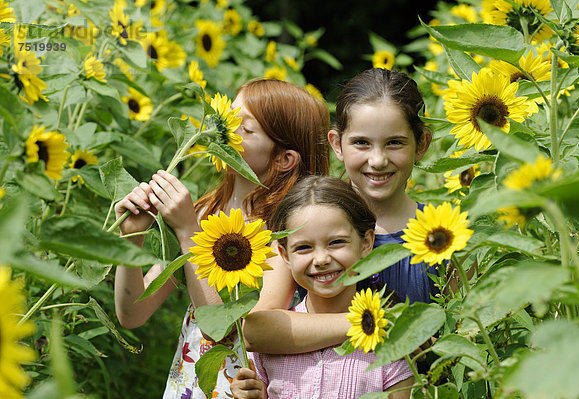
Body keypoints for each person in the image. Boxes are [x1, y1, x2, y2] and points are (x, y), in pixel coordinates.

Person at [113, 78, 330, 398]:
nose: (224, 129)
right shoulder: (205, 211)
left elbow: (232, 329)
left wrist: (188, 231)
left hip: (239, 389)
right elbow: (133, 312)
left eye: (245, 127)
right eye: (229, 117)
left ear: (284, 159)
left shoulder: (285, 233)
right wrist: (131, 240)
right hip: (188, 384)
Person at [244, 68, 435, 355]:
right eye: (361, 143)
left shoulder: (444, 235)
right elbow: (257, 330)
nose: (378, 160)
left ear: (421, 144)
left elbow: (467, 339)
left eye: (394, 142)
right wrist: (371, 324)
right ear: (337, 144)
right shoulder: (304, 224)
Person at [231, 176, 414, 399]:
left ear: (366, 243)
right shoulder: (271, 345)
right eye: (304, 247)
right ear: (284, 255)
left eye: (336, 242)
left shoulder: (389, 346)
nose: (321, 259)